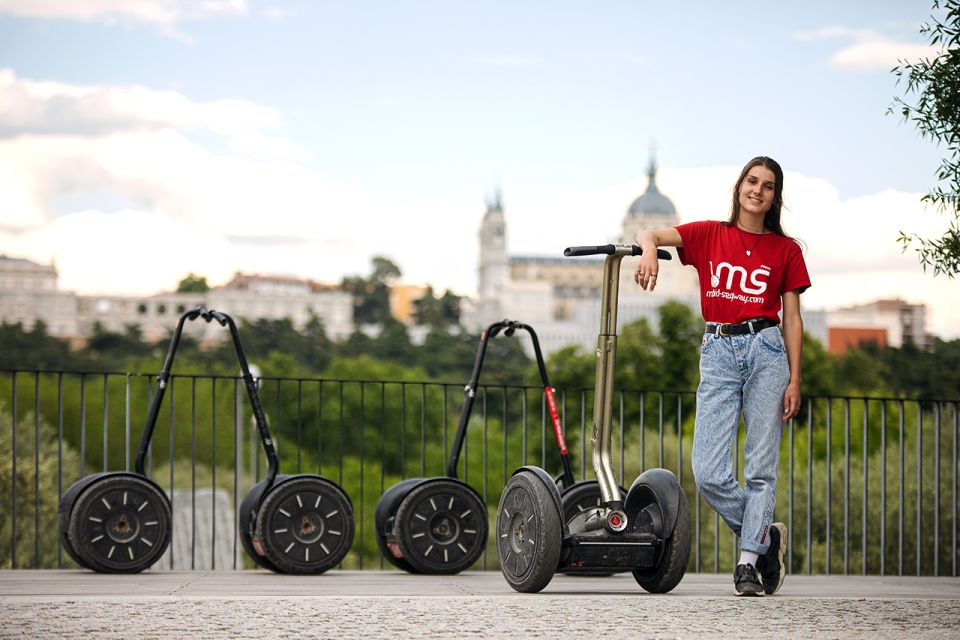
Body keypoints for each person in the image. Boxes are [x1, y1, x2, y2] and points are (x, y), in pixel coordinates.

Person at [633, 155, 810, 596]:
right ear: (739, 187)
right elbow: (649, 232)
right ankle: (765, 537)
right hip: (718, 350)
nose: (758, 190)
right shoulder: (710, 234)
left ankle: (748, 564)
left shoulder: (786, 250)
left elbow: (792, 319)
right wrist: (651, 251)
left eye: (768, 186)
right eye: (752, 181)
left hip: (768, 351)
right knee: (708, 471)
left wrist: (795, 378)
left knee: (761, 468)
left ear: (775, 196)